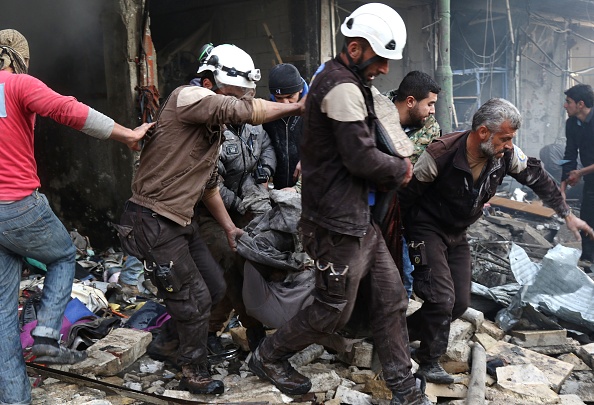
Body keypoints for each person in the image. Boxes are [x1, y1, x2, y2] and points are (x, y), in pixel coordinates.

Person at [248, 4, 431, 404]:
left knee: (392, 298)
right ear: (354, 48)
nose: (385, 69)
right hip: (336, 225)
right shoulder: (342, 88)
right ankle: (269, 357)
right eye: (381, 59)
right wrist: (400, 168)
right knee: (332, 308)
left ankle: (404, 388)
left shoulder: (347, 81)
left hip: (357, 220)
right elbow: (361, 158)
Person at [117, 43, 303, 396]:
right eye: (236, 93)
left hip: (178, 220)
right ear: (214, 82)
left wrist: (231, 226)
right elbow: (240, 110)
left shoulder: (209, 129)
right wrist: (300, 105)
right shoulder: (187, 97)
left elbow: (209, 186)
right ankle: (194, 370)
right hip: (152, 219)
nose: (239, 101)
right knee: (195, 297)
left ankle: (170, 344)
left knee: (215, 288)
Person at [0, 29, 154, 405]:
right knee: (64, 255)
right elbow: (70, 109)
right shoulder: (17, 84)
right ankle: (48, 335)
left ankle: (13, 399)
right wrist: (128, 135)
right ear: (19, 59)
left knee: (3, 313)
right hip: (17, 205)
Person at [398, 98, 594, 384]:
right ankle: (429, 361)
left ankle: (399, 335)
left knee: (459, 303)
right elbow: (405, 198)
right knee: (440, 297)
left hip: (457, 232)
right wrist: (393, 239)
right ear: (482, 133)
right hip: (426, 229)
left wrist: (566, 214)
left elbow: (537, 178)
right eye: (504, 138)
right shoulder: (440, 154)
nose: (509, 145)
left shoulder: (506, 155)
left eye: (511, 139)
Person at [387, 71, 441, 297]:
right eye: (429, 104)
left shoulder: (430, 128)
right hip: (368, 206)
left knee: (404, 274)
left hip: (404, 210)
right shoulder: (374, 113)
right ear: (410, 101)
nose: (433, 110)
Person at [560, 84, 594, 262]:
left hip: (586, 172)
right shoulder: (571, 124)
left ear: (580, 104)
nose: (565, 106)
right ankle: (588, 262)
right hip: (591, 178)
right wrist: (563, 187)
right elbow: (569, 154)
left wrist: (580, 172)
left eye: (568, 102)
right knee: (588, 215)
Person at [263, 63, 307, 191]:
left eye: (290, 97)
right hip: (274, 190)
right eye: (279, 98)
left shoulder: (314, 110)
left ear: (300, 90)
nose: (285, 104)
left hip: (308, 190)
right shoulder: (266, 115)